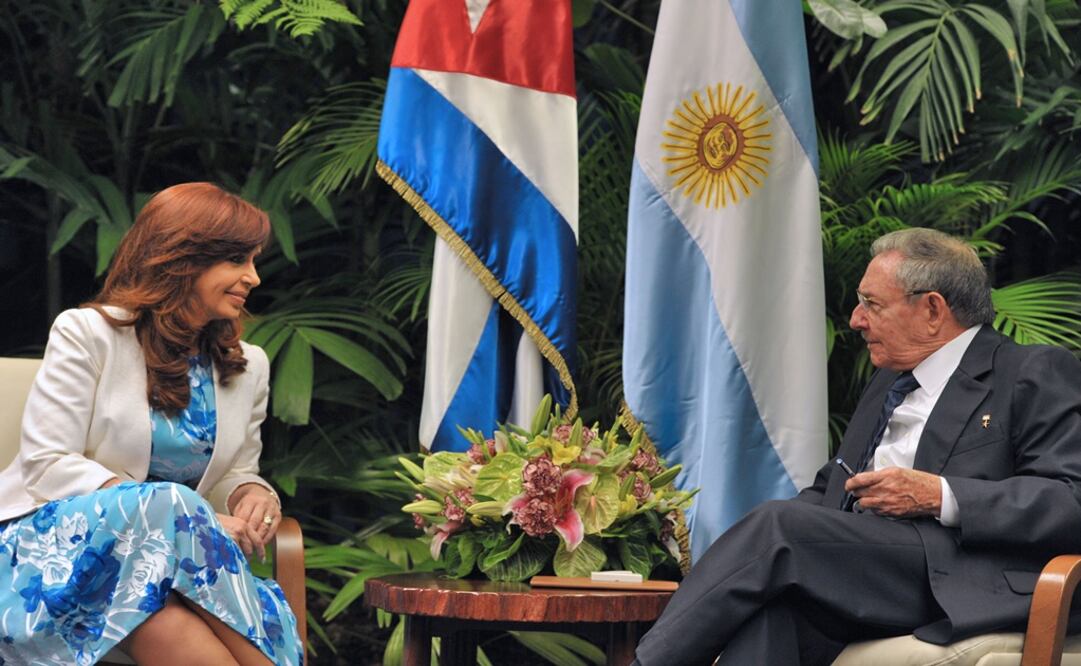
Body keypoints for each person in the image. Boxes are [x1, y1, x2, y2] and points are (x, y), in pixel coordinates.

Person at [633, 227, 1081, 665]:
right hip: (863, 571)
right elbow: (834, 487)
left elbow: (1070, 498)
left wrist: (941, 495)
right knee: (774, 617)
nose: (854, 319)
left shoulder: (1029, 372)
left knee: (778, 529)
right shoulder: (887, 382)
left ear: (932, 310)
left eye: (871, 304)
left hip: (956, 572)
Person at [0, 183, 302, 665]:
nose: (254, 278)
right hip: (59, 555)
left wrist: (252, 496)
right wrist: (177, 519)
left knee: (166, 625)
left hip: (173, 576)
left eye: (254, 261)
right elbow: (46, 463)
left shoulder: (249, 365)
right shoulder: (87, 334)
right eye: (238, 261)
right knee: (171, 502)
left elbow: (233, 474)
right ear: (184, 259)